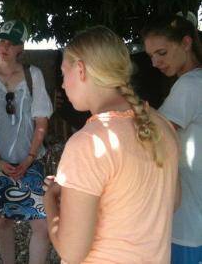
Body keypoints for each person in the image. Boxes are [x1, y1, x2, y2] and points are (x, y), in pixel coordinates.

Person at [44, 25, 180, 263]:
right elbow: (172, 201)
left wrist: (50, 203)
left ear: (80, 70)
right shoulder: (161, 124)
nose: (63, 85)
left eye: (64, 74)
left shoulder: (87, 144)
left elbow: (71, 251)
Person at [0, 20, 53, 264]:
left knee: (41, 223)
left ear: (21, 47)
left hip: (30, 158)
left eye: (11, 42)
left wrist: (29, 159)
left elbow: (41, 122)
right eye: (1, 40)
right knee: (3, 218)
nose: (4, 46)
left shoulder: (33, 74)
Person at [142, 14, 202, 264]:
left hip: (188, 217)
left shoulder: (189, 86)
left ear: (186, 43)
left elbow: (153, 138)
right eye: (151, 56)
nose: (155, 62)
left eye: (162, 53)